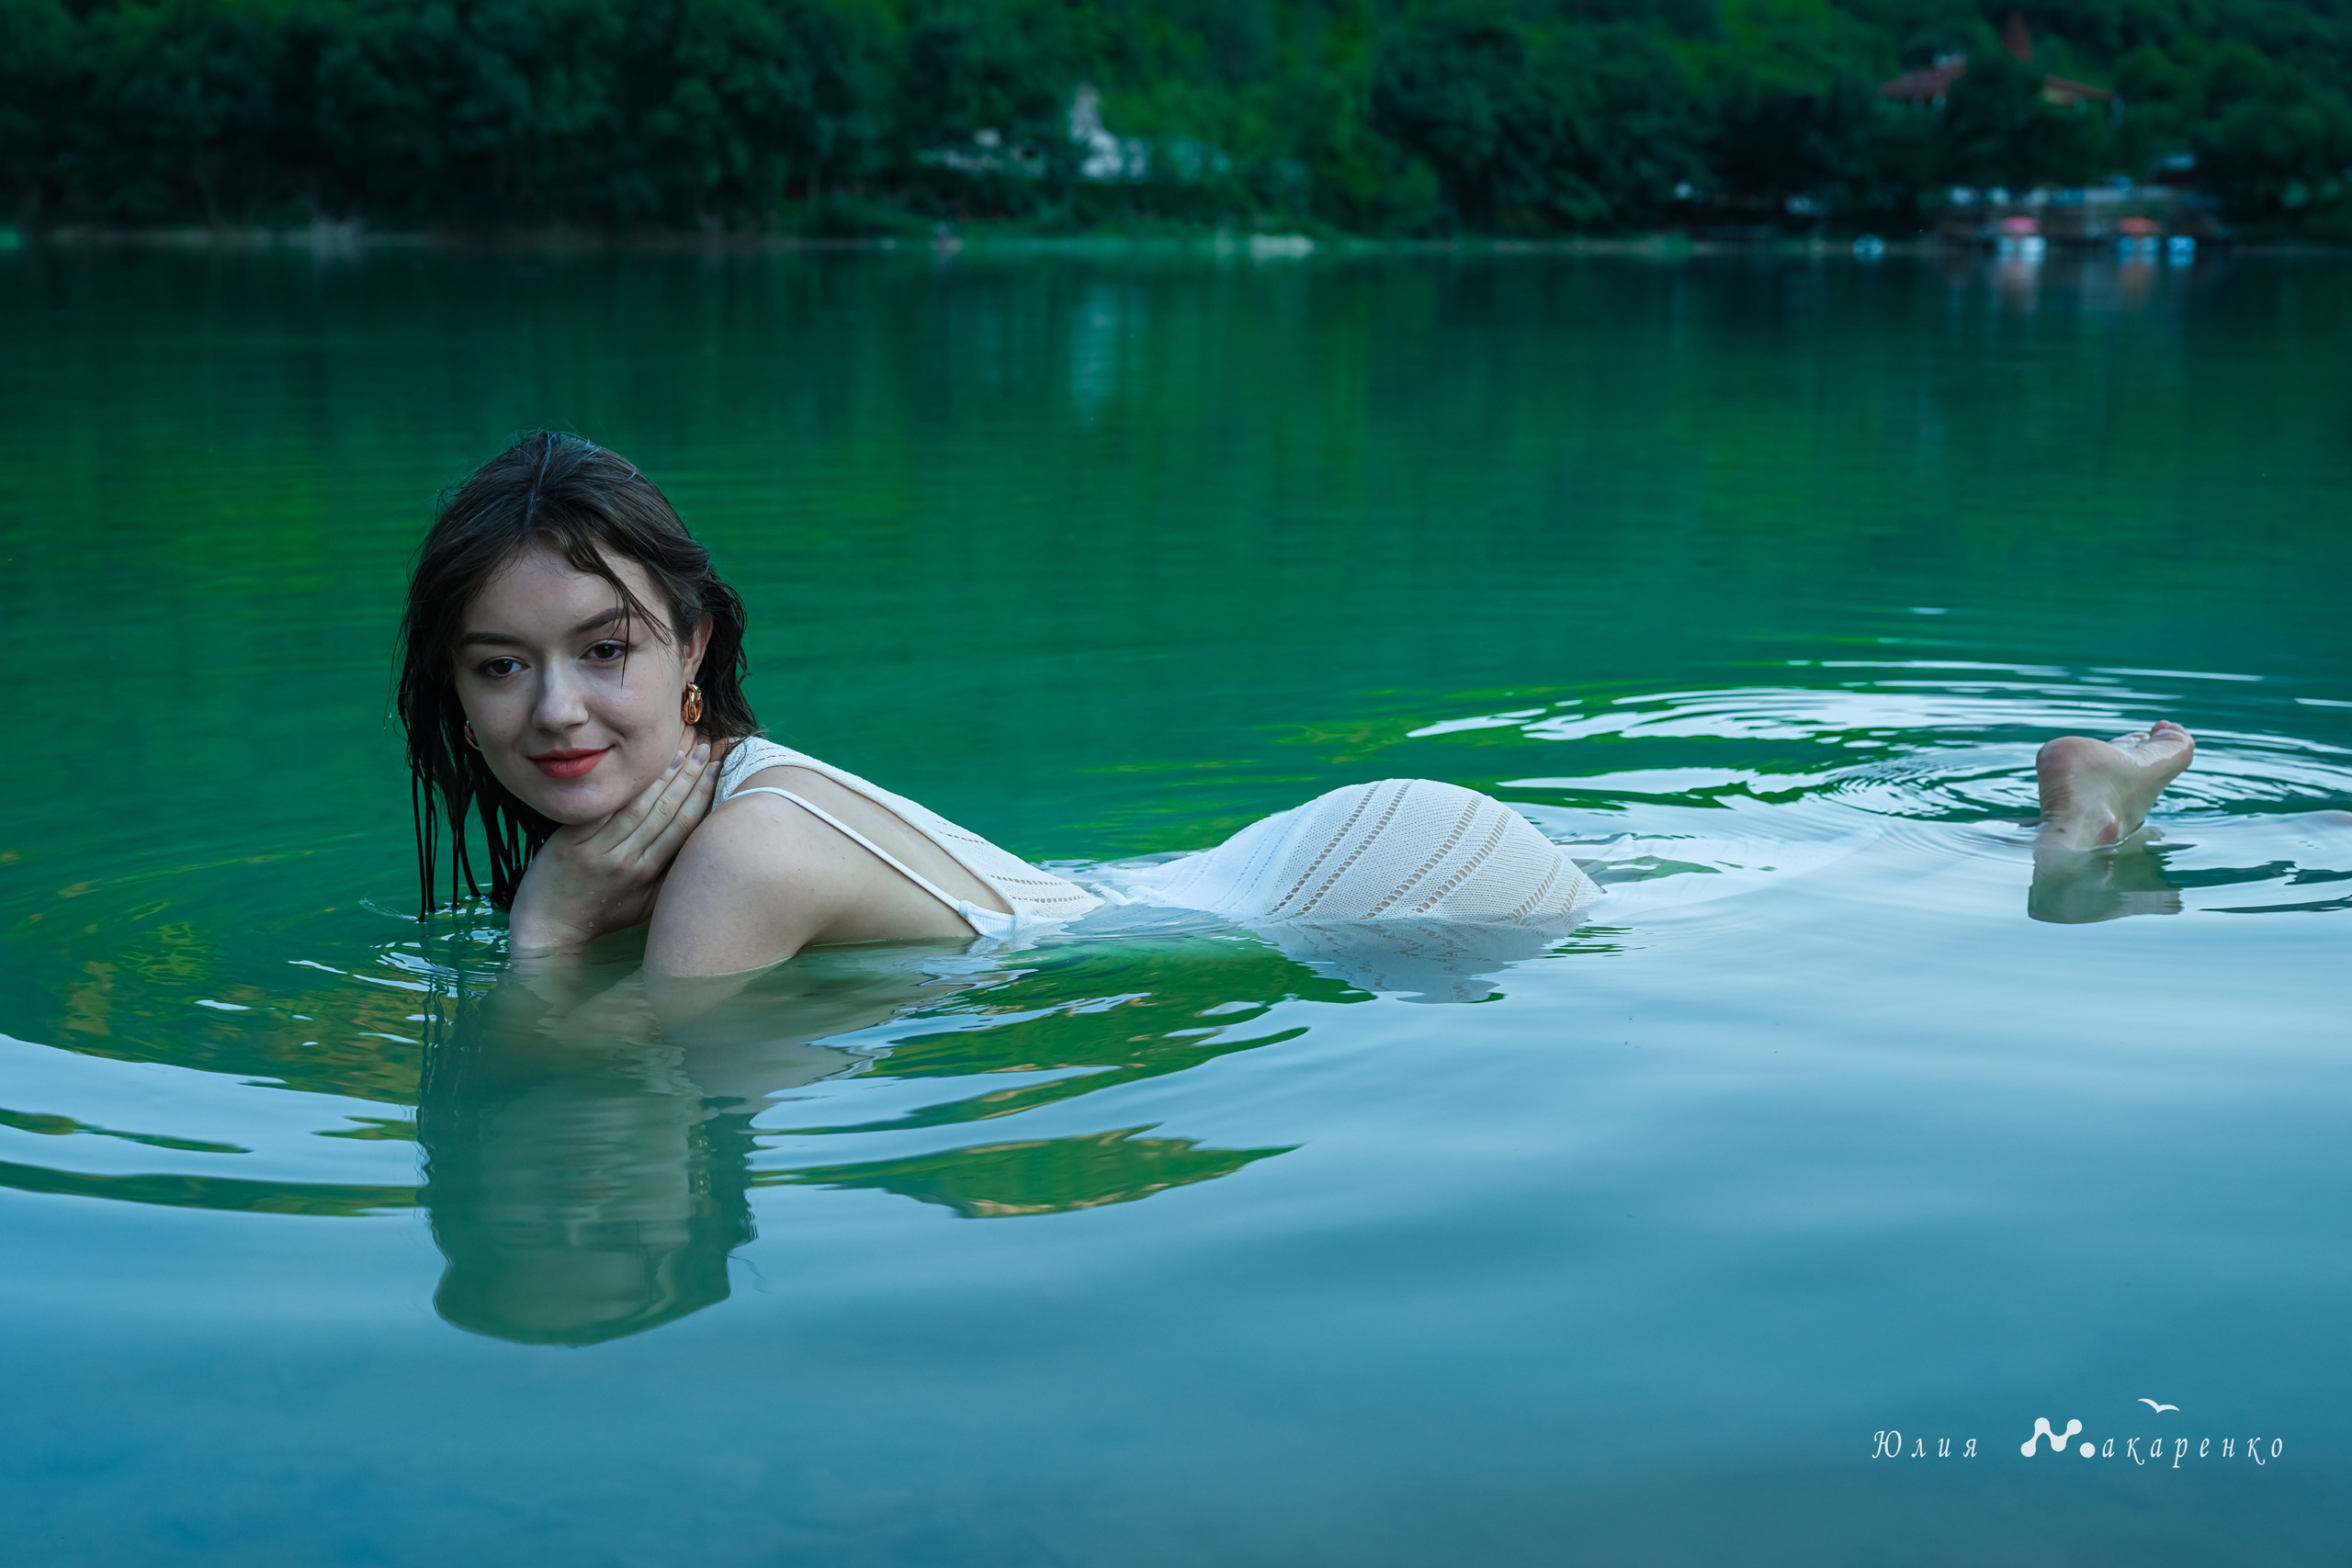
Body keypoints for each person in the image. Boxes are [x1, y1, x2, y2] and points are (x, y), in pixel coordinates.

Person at [397, 433, 2199, 979]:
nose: (556, 706)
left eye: (606, 646)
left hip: (1366, 891)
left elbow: (587, 1091)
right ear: (448, 686)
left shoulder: (732, 863)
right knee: (1739, 889)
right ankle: (2060, 813)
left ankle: (2068, 831)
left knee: (1775, 933)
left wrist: (551, 921)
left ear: (693, 646)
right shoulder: (715, 803)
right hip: (1295, 860)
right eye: (501, 664)